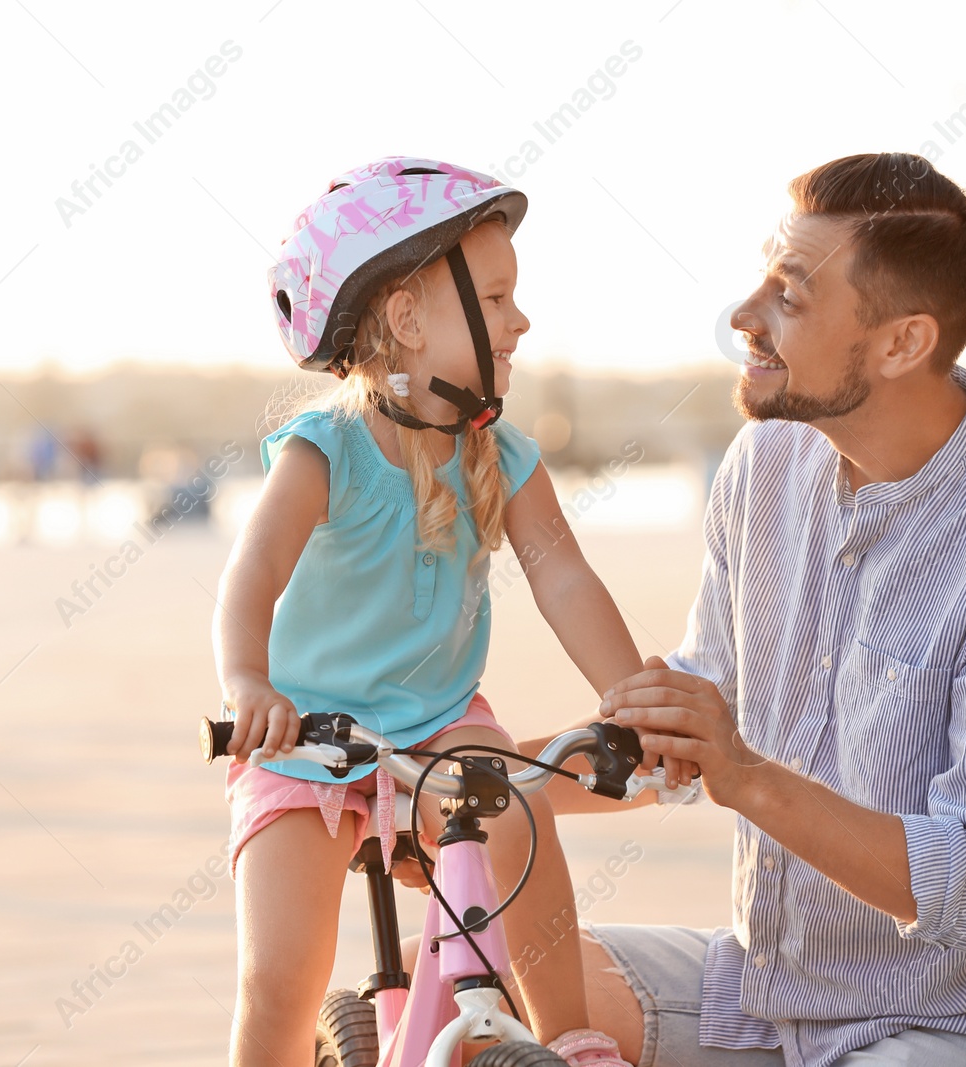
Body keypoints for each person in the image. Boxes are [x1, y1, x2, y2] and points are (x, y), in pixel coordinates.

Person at [533, 153, 966, 1067]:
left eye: (790, 298)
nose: (743, 317)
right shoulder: (767, 464)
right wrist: (496, 789)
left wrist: (748, 774)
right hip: (771, 999)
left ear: (900, 343)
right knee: (460, 982)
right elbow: (696, 719)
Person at [212, 157, 662, 1067]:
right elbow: (252, 570)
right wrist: (248, 681)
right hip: (306, 734)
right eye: (495, 298)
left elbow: (564, 578)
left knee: (515, 817)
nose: (519, 319)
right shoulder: (324, 450)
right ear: (409, 319)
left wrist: (629, 694)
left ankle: (570, 1037)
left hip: (441, 726)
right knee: (281, 978)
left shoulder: (506, 455)